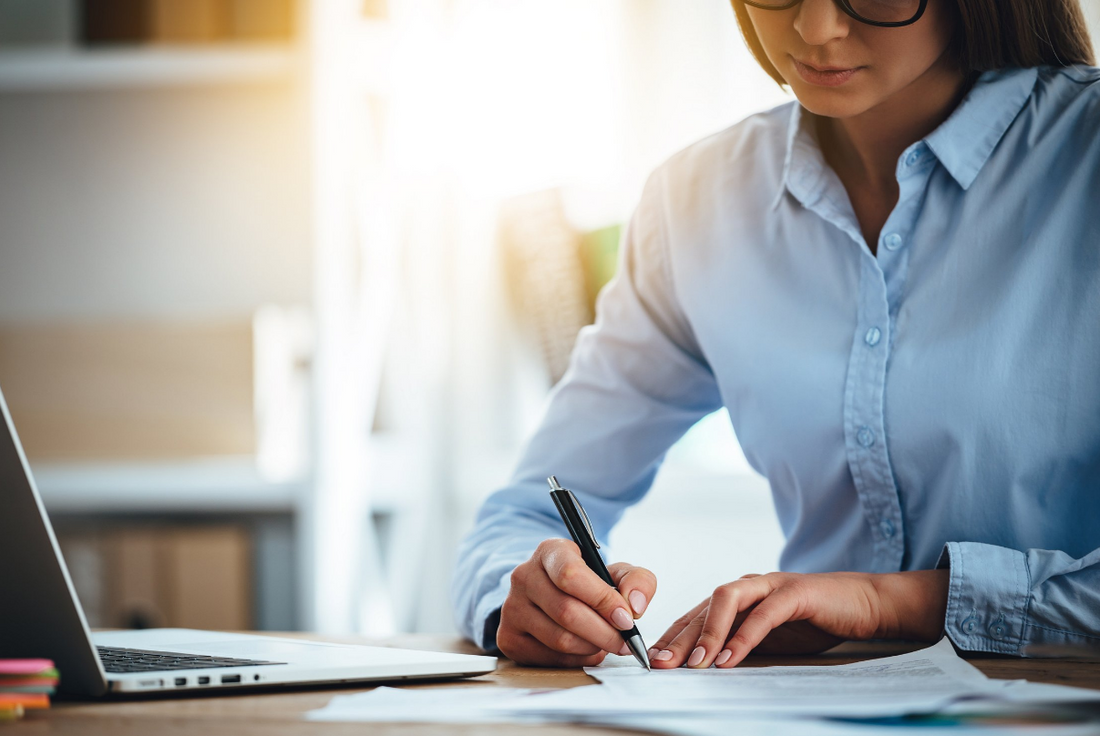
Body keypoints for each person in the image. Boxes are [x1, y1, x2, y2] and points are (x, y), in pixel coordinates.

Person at [453, 0, 1100, 669]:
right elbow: (525, 516)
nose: (817, 29)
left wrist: (895, 604)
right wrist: (527, 596)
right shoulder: (697, 199)